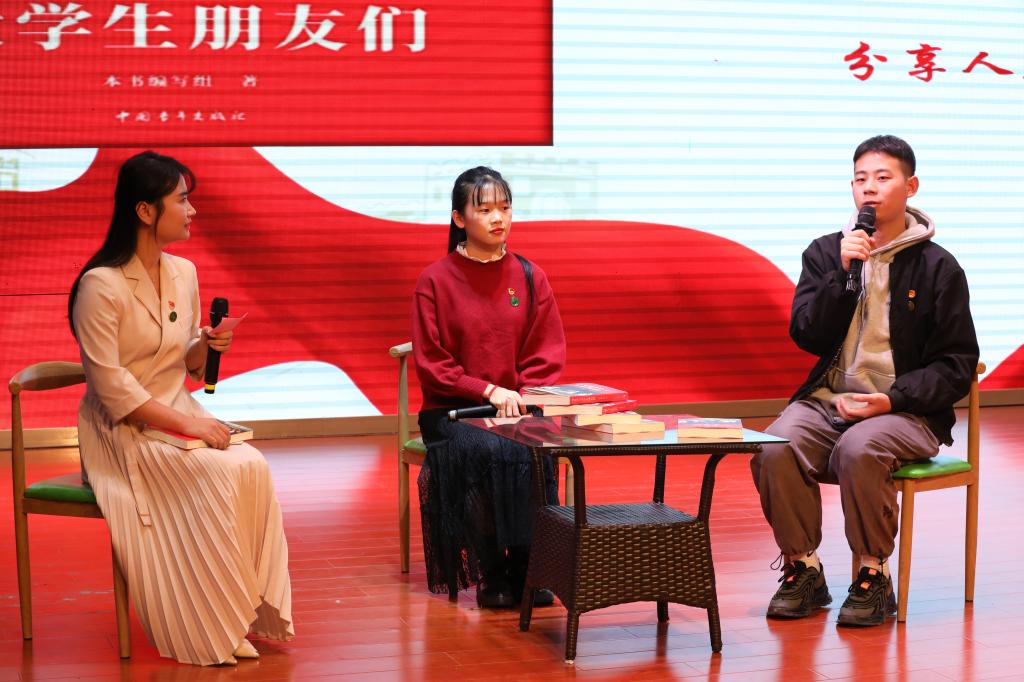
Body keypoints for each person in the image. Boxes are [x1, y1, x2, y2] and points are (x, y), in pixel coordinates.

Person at [68, 151, 293, 665]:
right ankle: (210, 623)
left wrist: (206, 345)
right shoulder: (99, 285)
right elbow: (113, 390)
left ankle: (240, 612)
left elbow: (186, 364)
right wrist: (191, 425)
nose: (192, 211)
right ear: (145, 211)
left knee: (250, 464)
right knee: (216, 473)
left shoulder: (184, 271)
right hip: (119, 432)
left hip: (177, 413)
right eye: (182, 200)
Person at [750, 135, 979, 627]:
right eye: (860, 179)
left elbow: (956, 363)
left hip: (906, 411)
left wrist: (891, 399)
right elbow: (807, 334)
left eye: (882, 177)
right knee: (773, 446)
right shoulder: (825, 253)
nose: (869, 189)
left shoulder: (938, 267)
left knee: (860, 448)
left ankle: (874, 575)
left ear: (910, 187)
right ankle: (803, 569)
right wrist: (841, 273)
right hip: (828, 401)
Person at [411, 166, 567, 608]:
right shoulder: (435, 280)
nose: (498, 218)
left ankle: (530, 568)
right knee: (488, 451)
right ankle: (493, 571)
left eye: (505, 207)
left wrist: (523, 395)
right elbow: (433, 363)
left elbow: (545, 349)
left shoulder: (530, 275)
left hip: (518, 409)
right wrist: (487, 391)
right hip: (453, 411)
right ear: (459, 218)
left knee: (532, 449)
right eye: (484, 210)